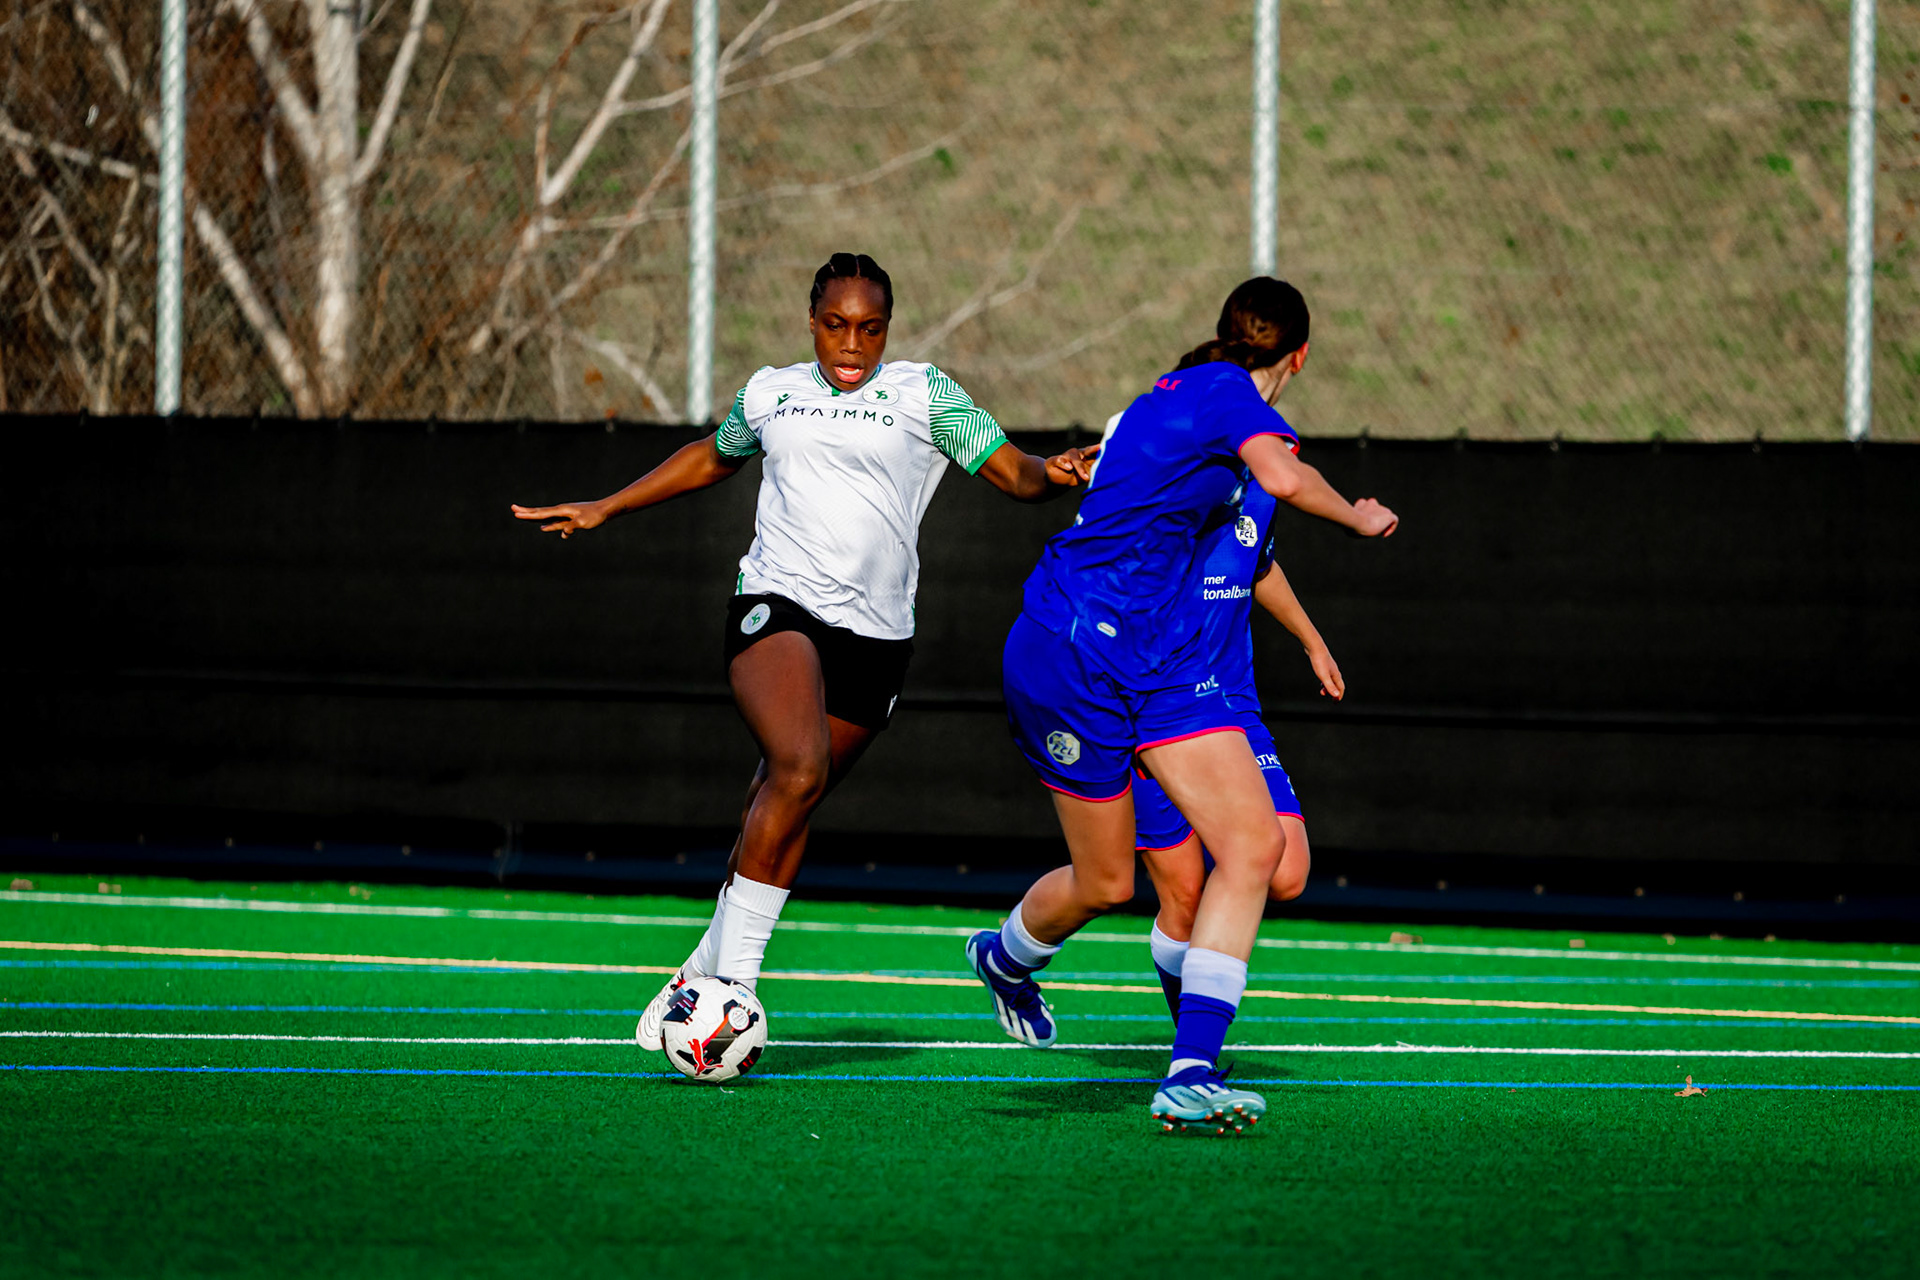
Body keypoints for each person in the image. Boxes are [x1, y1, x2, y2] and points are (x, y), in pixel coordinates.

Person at [511, 252, 1096, 1052]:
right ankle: (732, 988)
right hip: (775, 604)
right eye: (835, 326)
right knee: (798, 767)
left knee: (786, 798)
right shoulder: (770, 391)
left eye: (870, 329)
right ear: (811, 321)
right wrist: (609, 505)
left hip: (878, 639)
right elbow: (712, 456)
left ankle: (695, 972)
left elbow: (1014, 473)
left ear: (887, 329)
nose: (852, 345)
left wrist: (1055, 472)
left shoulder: (927, 394)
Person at [965, 277, 1397, 1133]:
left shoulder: (1180, 398)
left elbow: (1246, 529)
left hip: (1155, 656)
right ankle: (1004, 957)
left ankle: (1190, 1072)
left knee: (1255, 845)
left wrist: (1308, 637)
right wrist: (1356, 516)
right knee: (1107, 880)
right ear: (1298, 355)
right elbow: (1280, 469)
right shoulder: (1224, 397)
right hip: (1073, 645)